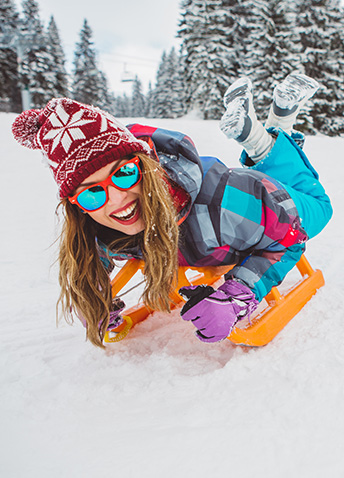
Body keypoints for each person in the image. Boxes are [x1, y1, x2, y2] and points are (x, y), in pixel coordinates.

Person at [12, 73, 332, 348]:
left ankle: (264, 140)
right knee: (280, 179)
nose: (115, 201)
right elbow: (95, 253)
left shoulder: (224, 204)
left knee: (318, 206)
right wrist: (94, 298)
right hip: (255, 205)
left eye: (124, 174)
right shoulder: (99, 225)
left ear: (147, 166)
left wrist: (240, 291)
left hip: (264, 201)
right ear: (77, 207)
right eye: (92, 194)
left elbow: (290, 237)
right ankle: (278, 125)